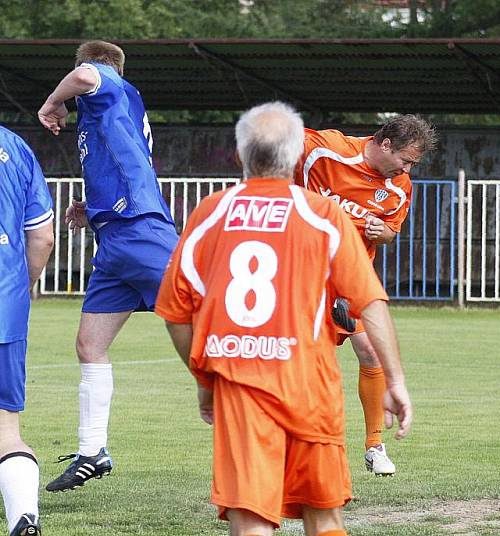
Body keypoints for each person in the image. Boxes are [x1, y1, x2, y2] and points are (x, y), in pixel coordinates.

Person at [155, 101, 412, 536]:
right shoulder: (323, 214)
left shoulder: (211, 212)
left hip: (240, 383)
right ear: (295, 159)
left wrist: (205, 382)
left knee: (253, 520)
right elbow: (370, 302)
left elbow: (176, 312)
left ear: (239, 157)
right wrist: (396, 380)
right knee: (325, 516)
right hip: (309, 383)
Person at [37, 40, 179, 491]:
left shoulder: (107, 83)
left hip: (138, 229)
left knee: (210, 321)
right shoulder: (106, 110)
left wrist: (52, 101)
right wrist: (91, 207)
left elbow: (83, 77)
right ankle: (92, 450)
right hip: (113, 236)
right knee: (89, 346)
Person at [295, 115, 435, 475]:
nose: (407, 169)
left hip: (351, 276)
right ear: (385, 144)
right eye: (406, 159)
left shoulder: (400, 186)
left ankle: (375, 445)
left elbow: (391, 232)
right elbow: (273, 141)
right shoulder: (327, 150)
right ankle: (301, 447)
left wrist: (383, 232)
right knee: (308, 362)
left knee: (371, 350)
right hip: (304, 274)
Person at [0, 125, 54, 536]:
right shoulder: (14, 146)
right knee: (6, 429)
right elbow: (42, 237)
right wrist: (21, 288)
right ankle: (24, 517)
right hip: (5, 305)